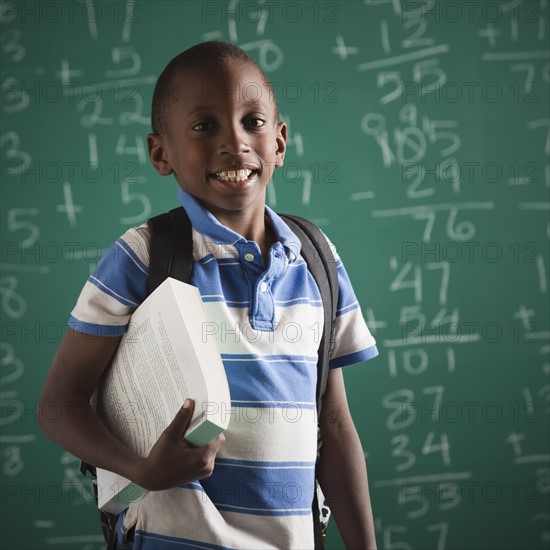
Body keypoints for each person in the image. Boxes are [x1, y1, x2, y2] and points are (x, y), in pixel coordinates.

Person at [38, 41, 379, 549]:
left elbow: (334, 422)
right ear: (161, 153)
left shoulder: (318, 261)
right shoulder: (142, 257)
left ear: (280, 143)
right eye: (204, 126)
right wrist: (142, 469)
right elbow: (58, 406)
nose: (235, 143)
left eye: (253, 122)